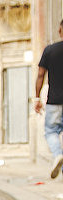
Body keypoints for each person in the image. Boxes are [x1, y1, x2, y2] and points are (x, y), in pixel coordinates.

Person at [34, 19, 63, 179]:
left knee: (51, 131)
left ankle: (57, 154)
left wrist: (37, 98)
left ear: (60, 31)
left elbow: (40, 75)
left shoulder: (50, 50)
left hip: (54, 100)